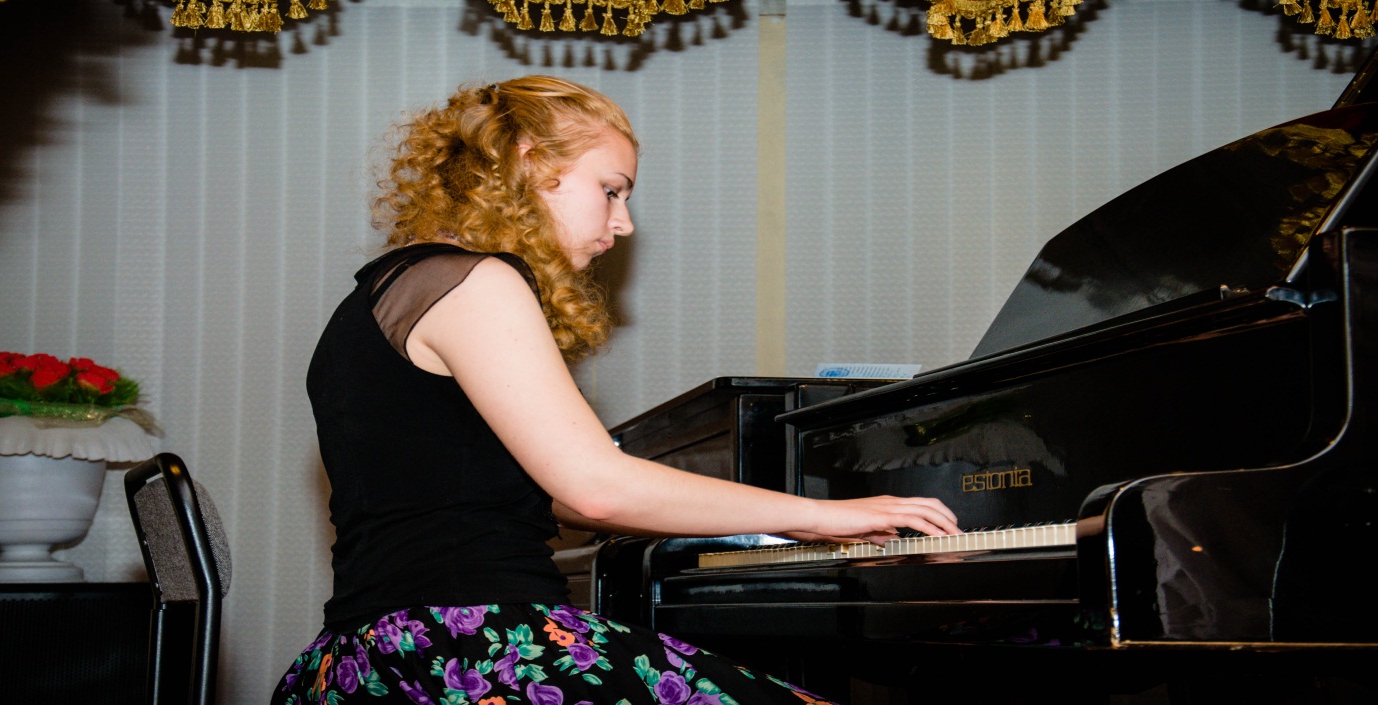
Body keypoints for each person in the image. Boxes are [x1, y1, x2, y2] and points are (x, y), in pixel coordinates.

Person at [270, 75, 960, 705]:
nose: (623, 222)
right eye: (611, 189)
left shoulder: (389, 296)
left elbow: (566, 498)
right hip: (476, 649)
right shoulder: (477, 282)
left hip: (372, 658)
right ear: (529, 162)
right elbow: (595, 488)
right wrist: (823, 516)